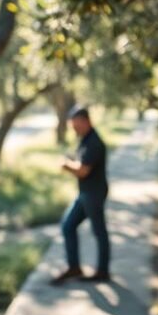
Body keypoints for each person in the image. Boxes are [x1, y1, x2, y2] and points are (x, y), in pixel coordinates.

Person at [52, 105, 111, 284]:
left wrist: (66, 165)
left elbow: (83, 171)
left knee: (99, 232)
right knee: (68, 226)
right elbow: (81, 161)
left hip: (94, 193)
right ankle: (74, 267)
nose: (75, 129)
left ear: (87, 122)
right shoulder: (84, 139)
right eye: (73, 126)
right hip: (85, 193)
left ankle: (102, 271)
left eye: (77, 125)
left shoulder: (94, 142)